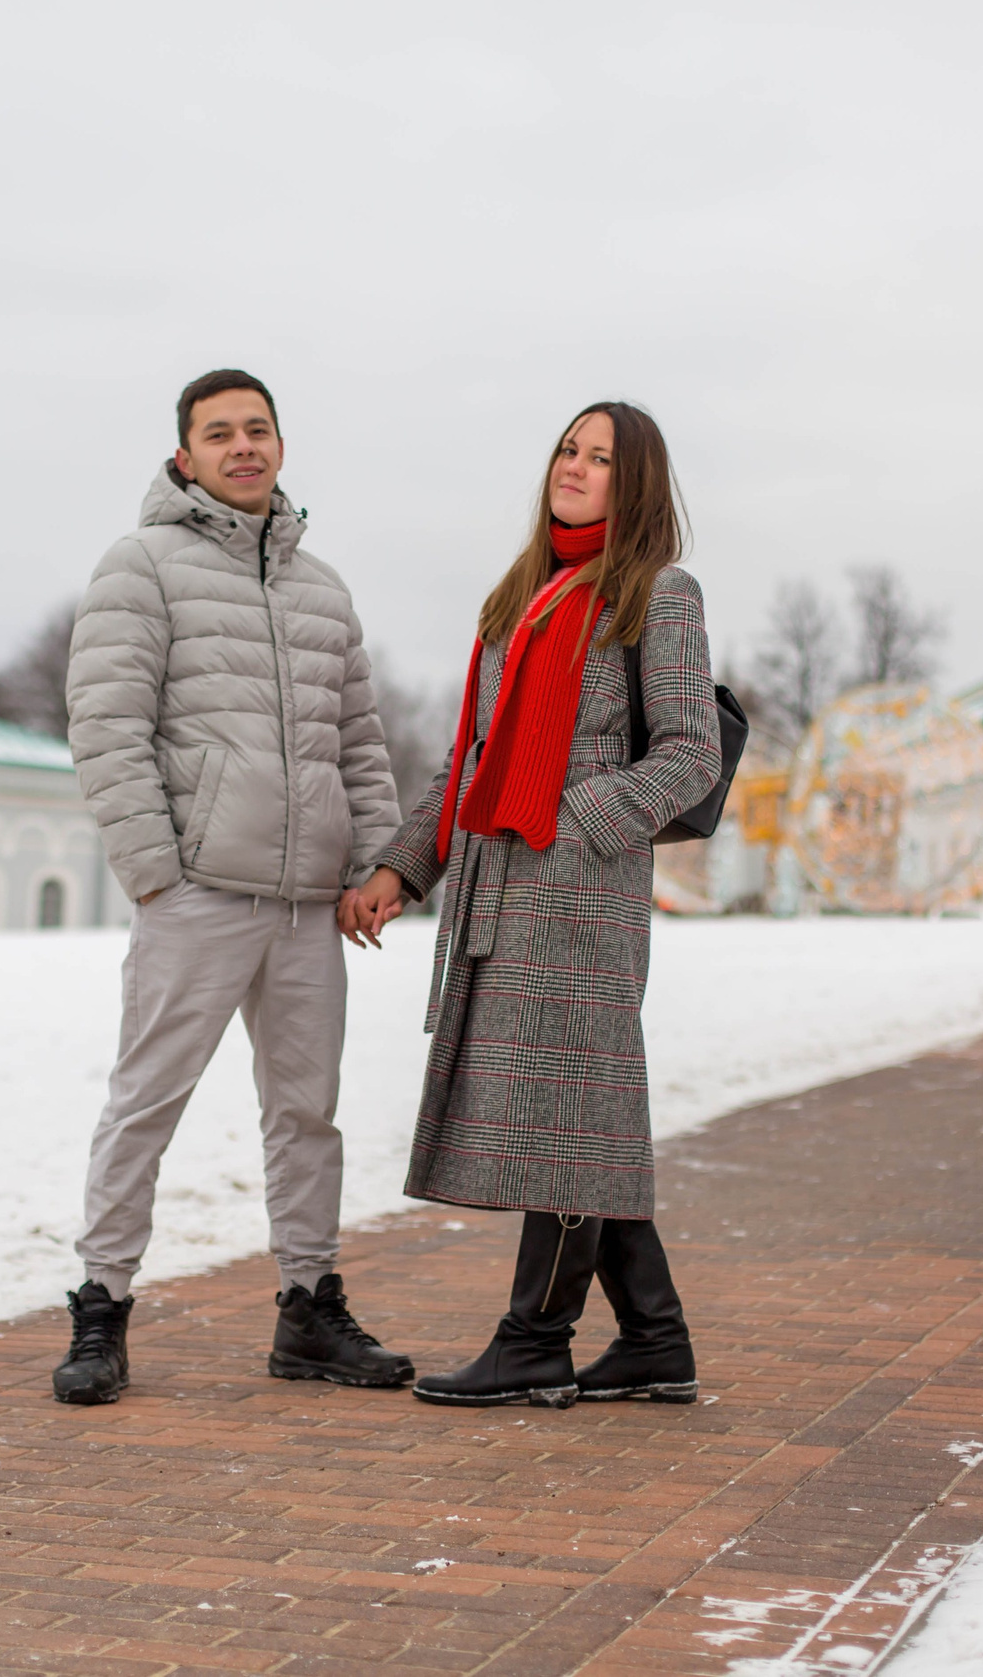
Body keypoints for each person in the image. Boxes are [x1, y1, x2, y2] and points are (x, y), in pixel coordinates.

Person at [340, 400, 721, 1408]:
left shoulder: (659, 593)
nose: (575, 466)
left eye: (601, 458)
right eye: (567, 449)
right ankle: (655, 1340)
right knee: (581, 1116)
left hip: (580, 896)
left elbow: (690, 753)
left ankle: (535, 1340)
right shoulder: (523, 597)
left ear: (635, 484)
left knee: (567, 1115)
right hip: (501, 895)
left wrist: (575, 815)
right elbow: (473, 760)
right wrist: (402, 868)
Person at [55, 369, 412, 1405]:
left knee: (307, 1114)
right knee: (146, 1103)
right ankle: (100, 1306)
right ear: (185, 456)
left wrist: (373, 863)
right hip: (198, 894)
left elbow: (357, 740)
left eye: (258, 430)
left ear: (281, 447)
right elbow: (107, 726)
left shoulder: (323, 588)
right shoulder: (140, 566)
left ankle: (309, 1309)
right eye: (220, 434)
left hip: (307, 908)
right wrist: (155, 876)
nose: (242, 446)